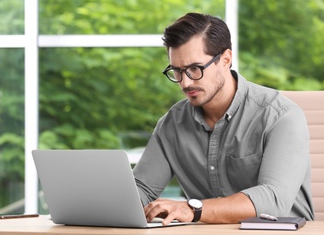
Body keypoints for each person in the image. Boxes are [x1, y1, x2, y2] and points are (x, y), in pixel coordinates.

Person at [132, 12, 315, 224]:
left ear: (226, 59)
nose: (185, 82)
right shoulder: (172, 123)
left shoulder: (280, 116)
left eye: (195, 68)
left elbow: (273, 199)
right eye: (177, 71)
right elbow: (142, 189)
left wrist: (193, 209)